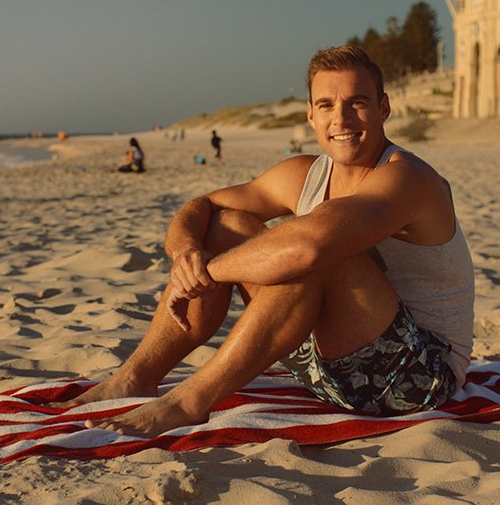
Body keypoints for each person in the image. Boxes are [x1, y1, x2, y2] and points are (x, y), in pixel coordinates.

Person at [58, 45, 474, 437]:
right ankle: (136, 378)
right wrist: (186, 254)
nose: (341, 120)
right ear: (310, 115)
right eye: (327, 106)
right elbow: (202, 204)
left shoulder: (409, 178)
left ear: (383, 108)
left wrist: (206, 272)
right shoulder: (303, 174)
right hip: (325, 368)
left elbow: (311, 246)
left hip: (417, 378)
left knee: (320, 252)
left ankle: (188, 402)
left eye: (358, 103)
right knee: (226, 225)